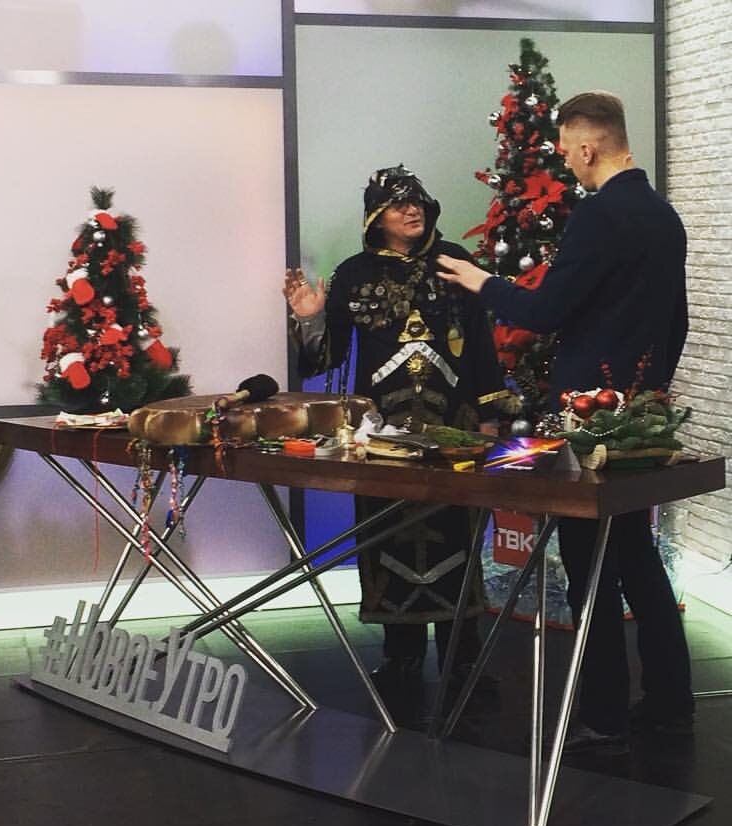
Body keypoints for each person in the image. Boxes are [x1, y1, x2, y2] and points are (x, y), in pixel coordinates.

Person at [437, 92, 693, 753]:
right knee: (637, 556)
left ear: (586, 146)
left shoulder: (598, 216)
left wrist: (482, 282)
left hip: (588, 421)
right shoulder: (664, 217)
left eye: (567, 150)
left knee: (589, 567)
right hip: (641, 415)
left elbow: (545, 310)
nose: (566, 162)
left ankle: (604, 715)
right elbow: (678, 321)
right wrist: (646, 395)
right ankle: (671, 701)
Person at [285, 164, 509, 687]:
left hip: (453, 429)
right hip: (382, 434)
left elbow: (480, 344)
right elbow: (323, 360)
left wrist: (490, 417)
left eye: (418, 202)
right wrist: (310, 317)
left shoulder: (456, 263)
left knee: (458, 536)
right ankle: (401, 654)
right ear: (375, 217)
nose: (412, 210)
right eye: (399, 204)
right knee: (387, 533)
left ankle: (463, 655)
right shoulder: (353, 274)